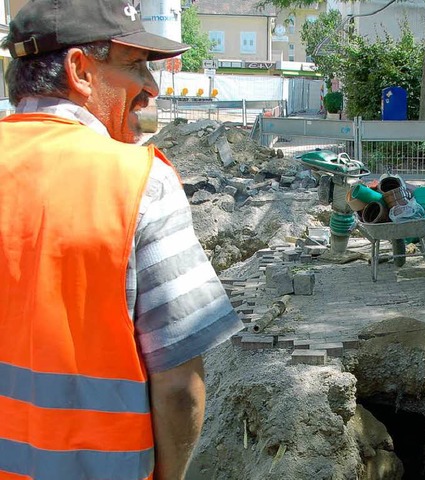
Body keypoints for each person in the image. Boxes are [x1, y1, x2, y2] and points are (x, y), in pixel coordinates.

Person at [0, 1, 243, 479]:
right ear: (80, 70)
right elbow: (177, 387)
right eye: (134, 65)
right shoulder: (139, 182)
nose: (151, 86)